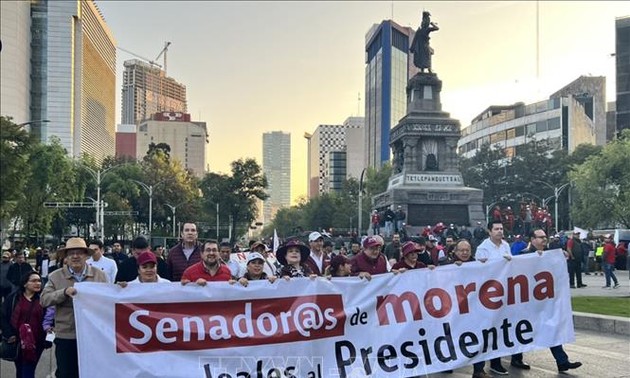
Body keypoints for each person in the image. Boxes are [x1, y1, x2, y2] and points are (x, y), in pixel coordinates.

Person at [510, 229, 583, 372]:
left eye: (545, 237)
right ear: (532, 239)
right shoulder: (523, 255)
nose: (544, 239)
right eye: (541, 237)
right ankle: (516, 358)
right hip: (526, 302)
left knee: (551, 329)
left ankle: (562, 361)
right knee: (522, 331)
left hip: (544, 302)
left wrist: (563, 255)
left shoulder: (551, 254)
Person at [41, 237, 108, 378]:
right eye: (71, 253)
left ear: (86, 256)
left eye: (79, 253)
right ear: (66, 257)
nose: (75, 256)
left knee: (93, 373)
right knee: (66, 373)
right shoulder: (55, 276)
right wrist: (63, 292)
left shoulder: (99, 276)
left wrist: (121, 289)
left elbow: (109, 301)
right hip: (66, 336)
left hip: (93, 335)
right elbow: (44, 300)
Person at [445, 239, 492, 378]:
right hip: (453, 309)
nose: (465, 253)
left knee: (479, 337)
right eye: (462, 250)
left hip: (474, 309)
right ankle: (447, 363)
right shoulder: (446, 264)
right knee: (451, 338)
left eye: (467, 250)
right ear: (455, 251)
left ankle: (479, 370)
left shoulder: (477, 265)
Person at [474, 221, 512, 375]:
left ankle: (496, 363)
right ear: (489, 231)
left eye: (501, 229)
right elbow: (479, 272)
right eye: (496, 229)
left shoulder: (505, 246)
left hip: (503, 293)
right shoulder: (483, 248)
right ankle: (479, 367)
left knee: (500, 330)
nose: (499, 231)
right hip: (487, 295)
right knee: (486, 331)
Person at [1, 271, 47, 378]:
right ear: (25, 284)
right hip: (17, 341)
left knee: (28, 370)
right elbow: (2, 316)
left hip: (36, 342)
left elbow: (49, 319)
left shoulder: (43, 299)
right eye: (34, 281)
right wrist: (9, 334)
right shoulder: (13, 298)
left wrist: (48, 337)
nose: (38, 283)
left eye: (39, 281)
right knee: (21, 370)